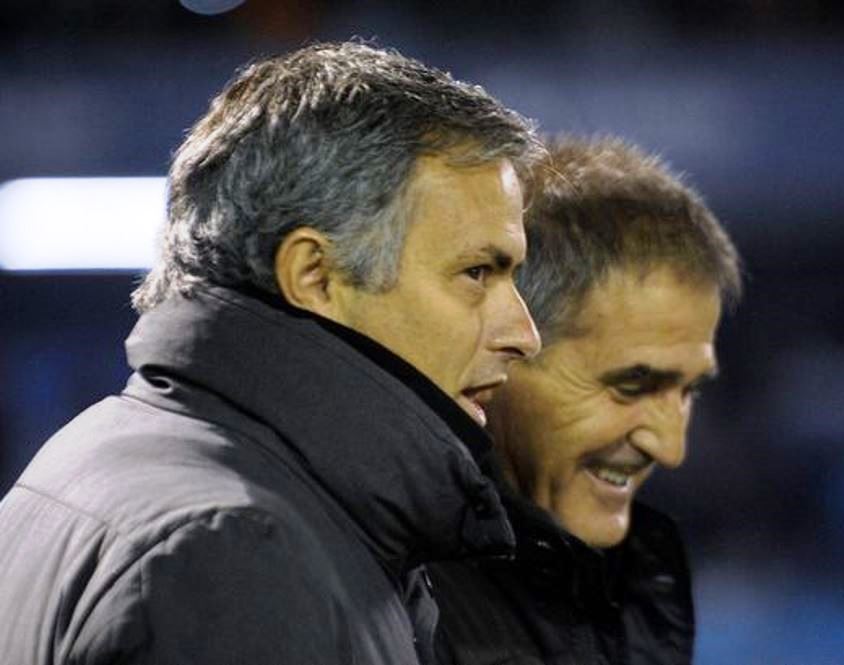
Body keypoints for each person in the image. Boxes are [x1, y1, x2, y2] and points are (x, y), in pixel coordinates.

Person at [0, 42, 543, 664]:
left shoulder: (94, 455)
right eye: (477, 273)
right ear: (315, 276)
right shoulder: (235, 554)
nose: (523, 334)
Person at [426, 136, 743, 665]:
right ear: (503, 347)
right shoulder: (387, 598)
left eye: (687, 391)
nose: (670, 449)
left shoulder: (637, 598)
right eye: (630, 386)